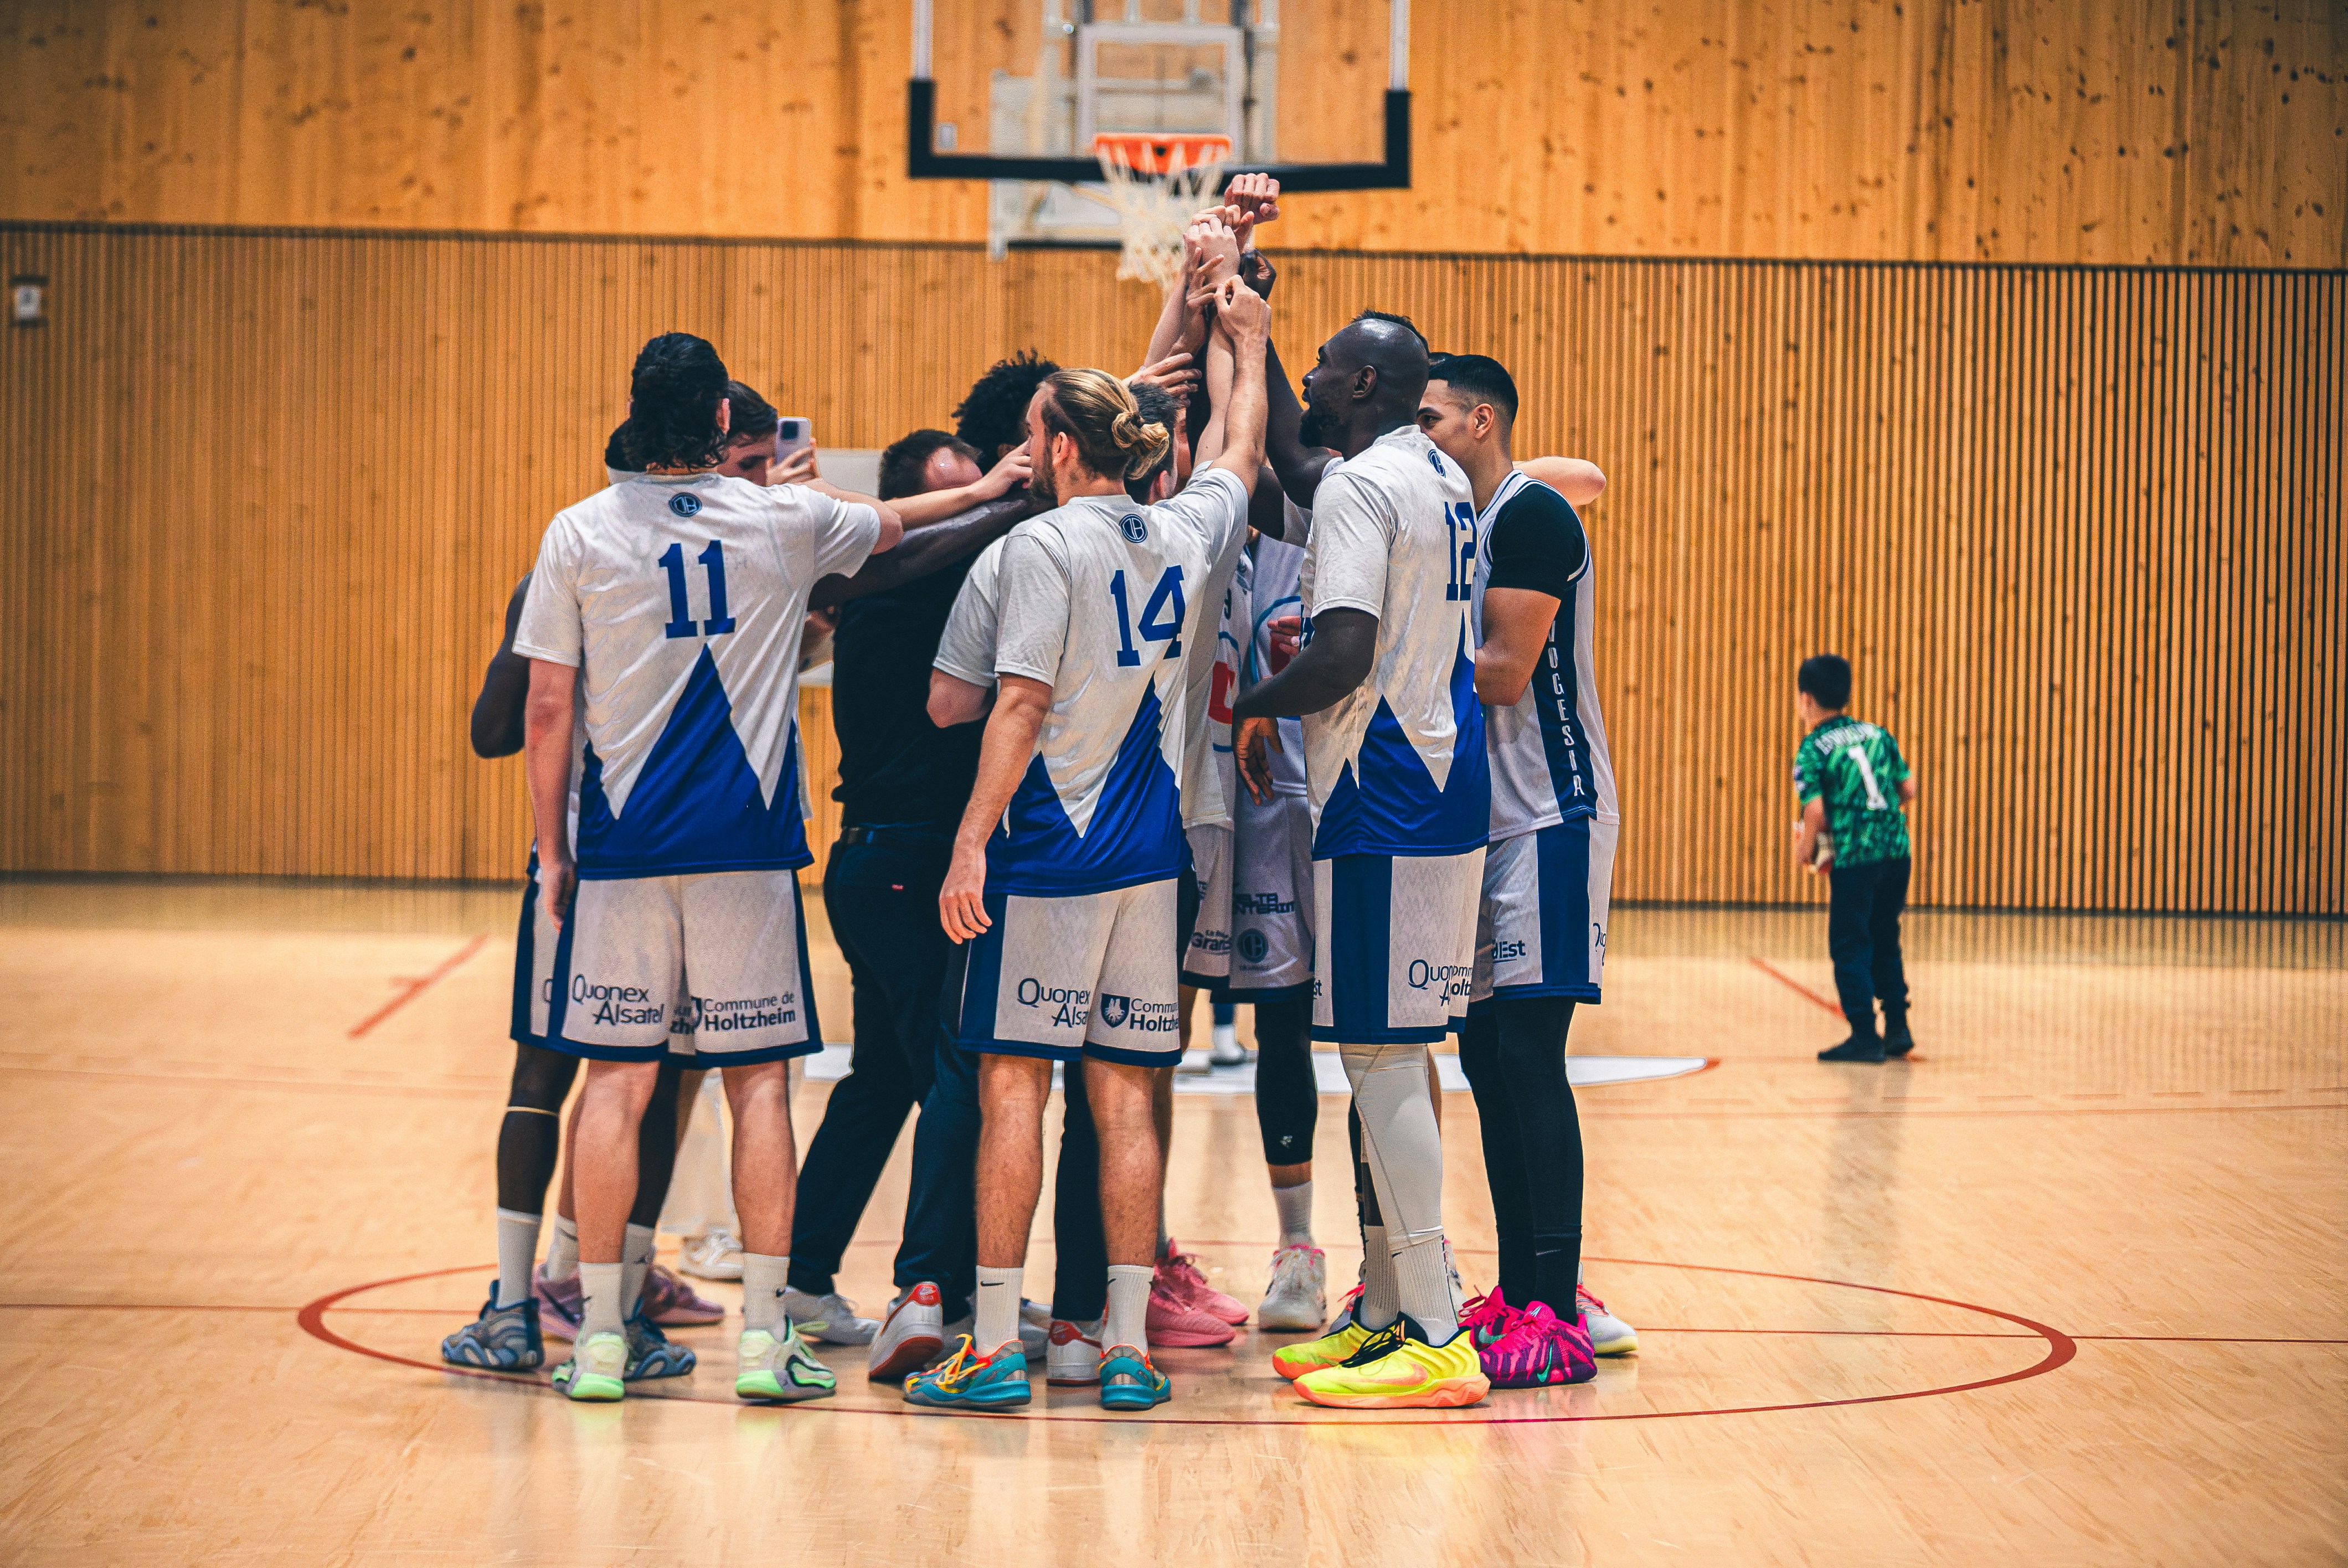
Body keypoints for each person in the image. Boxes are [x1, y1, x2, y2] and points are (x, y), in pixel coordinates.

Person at [512, 332, 902, 1403]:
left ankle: (597, 1335)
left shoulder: (579, 532)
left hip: (626, 851)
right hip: (747, 851)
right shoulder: (783, 517)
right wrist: (1010, 479)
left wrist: (554, 850)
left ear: (634, 413)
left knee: (616, 1082)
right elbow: (908, 523)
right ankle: (769, 1343)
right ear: (730, 427)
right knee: (758, 1085)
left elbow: (547, 705)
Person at [907, 295, 1271, 1414]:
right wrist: (1243, 343)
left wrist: (968, 847)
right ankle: (1122, 1346)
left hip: (1051, 858)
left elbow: (988, 706)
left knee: (1014, 1087)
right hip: (1152, 862)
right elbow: (1239, 448)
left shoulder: (1035, 547)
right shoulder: (1188, 528)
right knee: (1126, 1099)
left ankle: (998, 1344)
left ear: (1057, 448)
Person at [1233, 303, 1493, 1411]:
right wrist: (1250, 322)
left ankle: (1435, 1328)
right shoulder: (1436, 472)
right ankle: (1387, 1310)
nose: (1310, 373)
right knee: (1392, 1056)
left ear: (1357, 389)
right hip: (1440, 777)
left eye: (1322, 364)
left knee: (1382, 1060)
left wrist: (1250, 706)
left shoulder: (1359, 488)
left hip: (1380, 789)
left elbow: (1338, 653)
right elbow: (1294, 452)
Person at [784, 426, 1037, 1353]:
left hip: (884, 866)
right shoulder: (890, 584)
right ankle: (932, 1291)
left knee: (882, 1079)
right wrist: (1009, 499)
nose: (976, 511)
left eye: (983, 491)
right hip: (902, 867)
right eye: (957, 499)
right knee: (953, 1076)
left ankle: (801, 1279)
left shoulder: (940, 580)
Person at [1413, 352, 1618, 1388]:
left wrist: (1383, 647)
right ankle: (1524, 1287)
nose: (1421, 436)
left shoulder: (1531, 516)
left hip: (1553, 813)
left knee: (1530, 1054)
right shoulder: (1487, 510)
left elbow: (1499, 673)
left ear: (1480, 419)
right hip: (1491, 822)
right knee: (1489, 1059)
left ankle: (1561, 1304)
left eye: (1434, 419)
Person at [1792, 653, 1918, 1062]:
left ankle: (1864, 1034)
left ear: (1806, 700)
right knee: (1885, 934)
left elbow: (1816, 811)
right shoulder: (1877, 734)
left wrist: (1806, 846)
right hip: (1897, 853)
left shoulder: (1813, 748)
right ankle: (1897, 1026)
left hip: (1857, 856)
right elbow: (1908, 789)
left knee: (1849, 943)